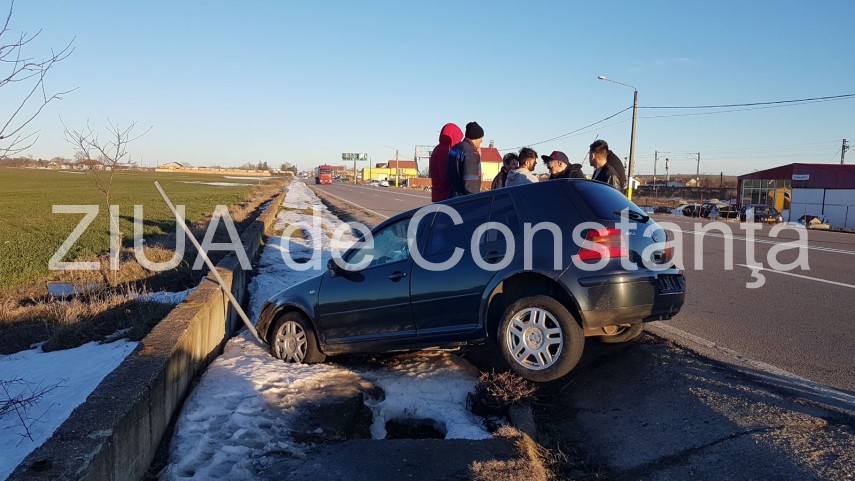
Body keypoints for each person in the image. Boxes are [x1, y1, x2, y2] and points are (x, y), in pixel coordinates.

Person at [429, 123, 463, 202]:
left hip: (440, 194)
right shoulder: (444, 151)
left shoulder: (439, 149)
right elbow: (445, 175)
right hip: (444, 195)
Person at [448, 121, 484, 197]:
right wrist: (475, 197)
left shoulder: (454, 148)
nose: (481, 141)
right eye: (481, 138)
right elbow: (470, 180)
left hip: (453, 193)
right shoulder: (470, 152)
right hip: (464, 197)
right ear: (476, 137)